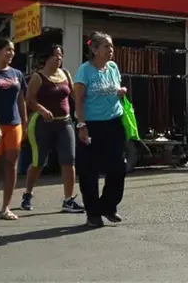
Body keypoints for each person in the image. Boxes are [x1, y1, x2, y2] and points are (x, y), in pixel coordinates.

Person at [21, 44, 84, 214]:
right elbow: (30, 100)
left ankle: (68, 200)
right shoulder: (38, 77)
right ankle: (27, 194)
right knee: (39, 162)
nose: (59, 58)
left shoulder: (65, 74)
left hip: (65, 123)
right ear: (47, 57)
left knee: (69, 160)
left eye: (61, 55)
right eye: (56, 55)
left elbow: (74, 95)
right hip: (43, 125)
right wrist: (42, 110)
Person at [73, 32, 127, 228]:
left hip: (113, 122)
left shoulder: (113, 67)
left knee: (118, 167)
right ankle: (93, 213)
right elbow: (78, 99)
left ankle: (108, 206)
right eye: (106, 46)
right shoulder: (84, 71)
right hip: (91, 125)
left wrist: (120, 92)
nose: (110, 50)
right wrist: (82, 126)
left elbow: (114, 89)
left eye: (111, 46)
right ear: (94, 50)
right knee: (89, 171)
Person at [0, 37, 28, 221]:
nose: (11, 53)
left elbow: (21, 99)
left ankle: (6, 207)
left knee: (11, 166)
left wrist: (25, 122)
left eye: (12, 50)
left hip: (14, 124)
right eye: (7, 50)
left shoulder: (17, 74)